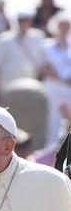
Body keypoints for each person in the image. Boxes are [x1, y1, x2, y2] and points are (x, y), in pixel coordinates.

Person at [0, 12, 45, 103]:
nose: (24, 23)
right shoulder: (4, 39)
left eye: (26, 20)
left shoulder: (38, 37)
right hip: (7, 89)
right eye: (21, 20)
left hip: (31, 88)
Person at [41, 11, 71, 146]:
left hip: (69, 89)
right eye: (62, 25)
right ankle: (52, 150)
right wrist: (62, 80)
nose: (64, 28)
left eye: (67, 25)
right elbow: (45, 66)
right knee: (53, 119)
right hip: (54, 87)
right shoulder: (47, 45)